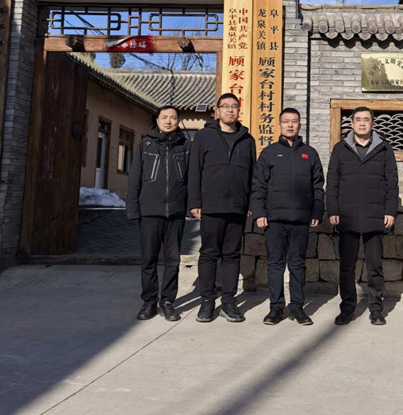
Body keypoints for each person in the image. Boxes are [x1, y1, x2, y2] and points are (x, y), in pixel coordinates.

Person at [250, 108, 325, 326]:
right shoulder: (269, 153)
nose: (290, 125)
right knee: (275, 264)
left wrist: (317, 211)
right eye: (286, 121)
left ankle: (297, 307)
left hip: (301, 219)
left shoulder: (310, 154)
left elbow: (318, 186)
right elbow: (259, 185)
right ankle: (276, 307)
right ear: (280, 125)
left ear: (300, 125)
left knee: (297, 264)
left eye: (294, 121)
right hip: (274, 219)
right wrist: (260, 212)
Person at [326, 106, 399, 326]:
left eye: (366, 119)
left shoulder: (384, 148)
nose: (362, 123)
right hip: (347, 215)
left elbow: (392, 183)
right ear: (351, 123)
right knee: (346, 267)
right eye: (358, 119)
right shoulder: (340, 149)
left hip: (375, 214)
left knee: (375, 267)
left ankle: (376, 309)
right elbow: (332, 181)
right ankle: (347, 308)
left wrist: (390, 210)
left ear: (372, 123)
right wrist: (333, 210)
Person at [188, 93, 256, 323]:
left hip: (237, 206)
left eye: (234, 106)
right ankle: (207, 300)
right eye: (225, 106)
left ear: (239, 110)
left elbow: (253, 175)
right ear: (217, 110)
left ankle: (228, 301)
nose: (230, 110)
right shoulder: (204, 136)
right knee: (209, 254)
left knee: (232, 255)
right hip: (211, 206)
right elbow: (194, 171)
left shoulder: (247, 140)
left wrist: (250, 203)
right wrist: (195, 202)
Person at [126, 106, 191, 322]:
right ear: (157, 120)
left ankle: (168, 301)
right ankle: (149, 301)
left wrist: (190, 206)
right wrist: (133, 208)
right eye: (164, 117)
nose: (169, 121)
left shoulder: (186, 146)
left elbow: (192, 178)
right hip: (150, 211)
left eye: (173, 118)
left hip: (176, 212)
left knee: (173, 260)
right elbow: (134, 178)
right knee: (149, 259)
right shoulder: (145, 144)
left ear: (178, 121)